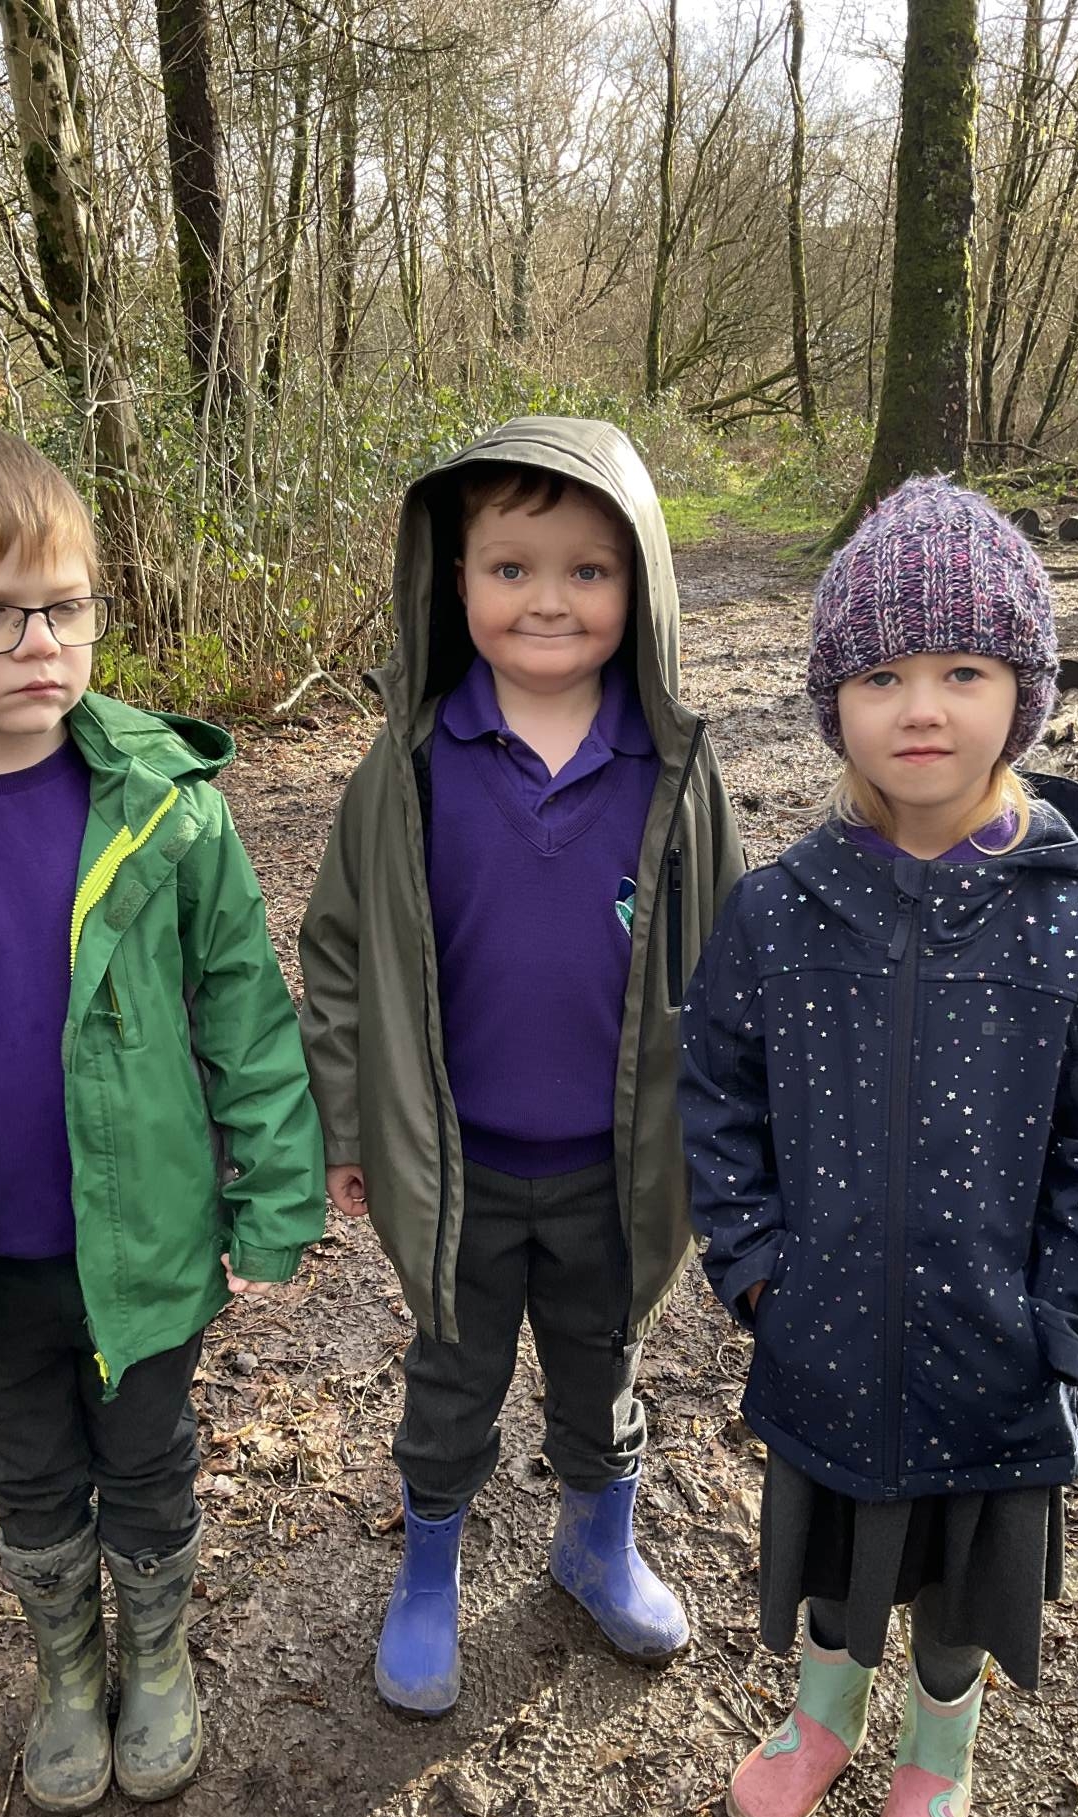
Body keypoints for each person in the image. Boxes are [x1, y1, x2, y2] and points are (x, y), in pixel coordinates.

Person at [0, 418, 325, 1814]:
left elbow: (246, 1019)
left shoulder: (170, 811)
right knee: (27, 1475)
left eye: (67, 606)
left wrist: (276, 1195)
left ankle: (158, 1657)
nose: (41, 643)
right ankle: (68, 1668)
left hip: (145, 1239)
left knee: (146, 1458)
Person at [679, 477, 1078, 1817]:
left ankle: (935, 1762)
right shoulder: (780, 910)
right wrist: (757, 1267)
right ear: (833, 701)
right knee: (836, 1560)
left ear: (1022, 693)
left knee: (961, 1586)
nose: (920, 708)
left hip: (995, 1351)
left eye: (962, 671)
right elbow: (714, 1093)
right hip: (825, 1332)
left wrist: (1059, 1311)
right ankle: (822, 1720)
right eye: (882, 674)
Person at [299, 417, 743, 1714]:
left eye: (588, 570)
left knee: (603, 1366)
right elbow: (341, 958)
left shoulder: (674, 771)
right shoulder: (409, 769)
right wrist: (347, 1126)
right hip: (460, 1170)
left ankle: (597, 1545)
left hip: (616, 1168)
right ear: (456, 581)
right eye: (512, 568)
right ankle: (428, 1568)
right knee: (453, 1376)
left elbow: (727, 969)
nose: (548, 599)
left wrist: (732, 1137)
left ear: (641, 586)